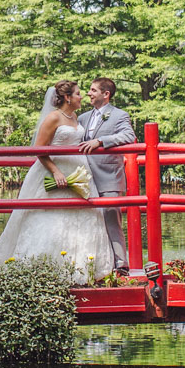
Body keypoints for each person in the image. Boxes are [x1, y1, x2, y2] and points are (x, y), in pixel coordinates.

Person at [0, 80, 118, 284]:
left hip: (78, 171)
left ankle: (80, 270)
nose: (83, 96)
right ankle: (39, 270)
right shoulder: (53, 118)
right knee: (50, 219)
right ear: (68, 97)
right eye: (78, 93)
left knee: (83, 217)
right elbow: (40, 149)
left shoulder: (75, 117)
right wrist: (56, 172)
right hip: (54, 171)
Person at [76, 77, 137, 273]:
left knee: (112, 220)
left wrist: (101, 141)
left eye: (93, 90)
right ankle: (95, 266)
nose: (89, 93)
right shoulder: (83, 118)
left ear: (106, 94)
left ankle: (121, 264)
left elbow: (128, 136)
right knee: (88, 222)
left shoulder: (119, 115)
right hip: (85, 178)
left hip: (109, 176)